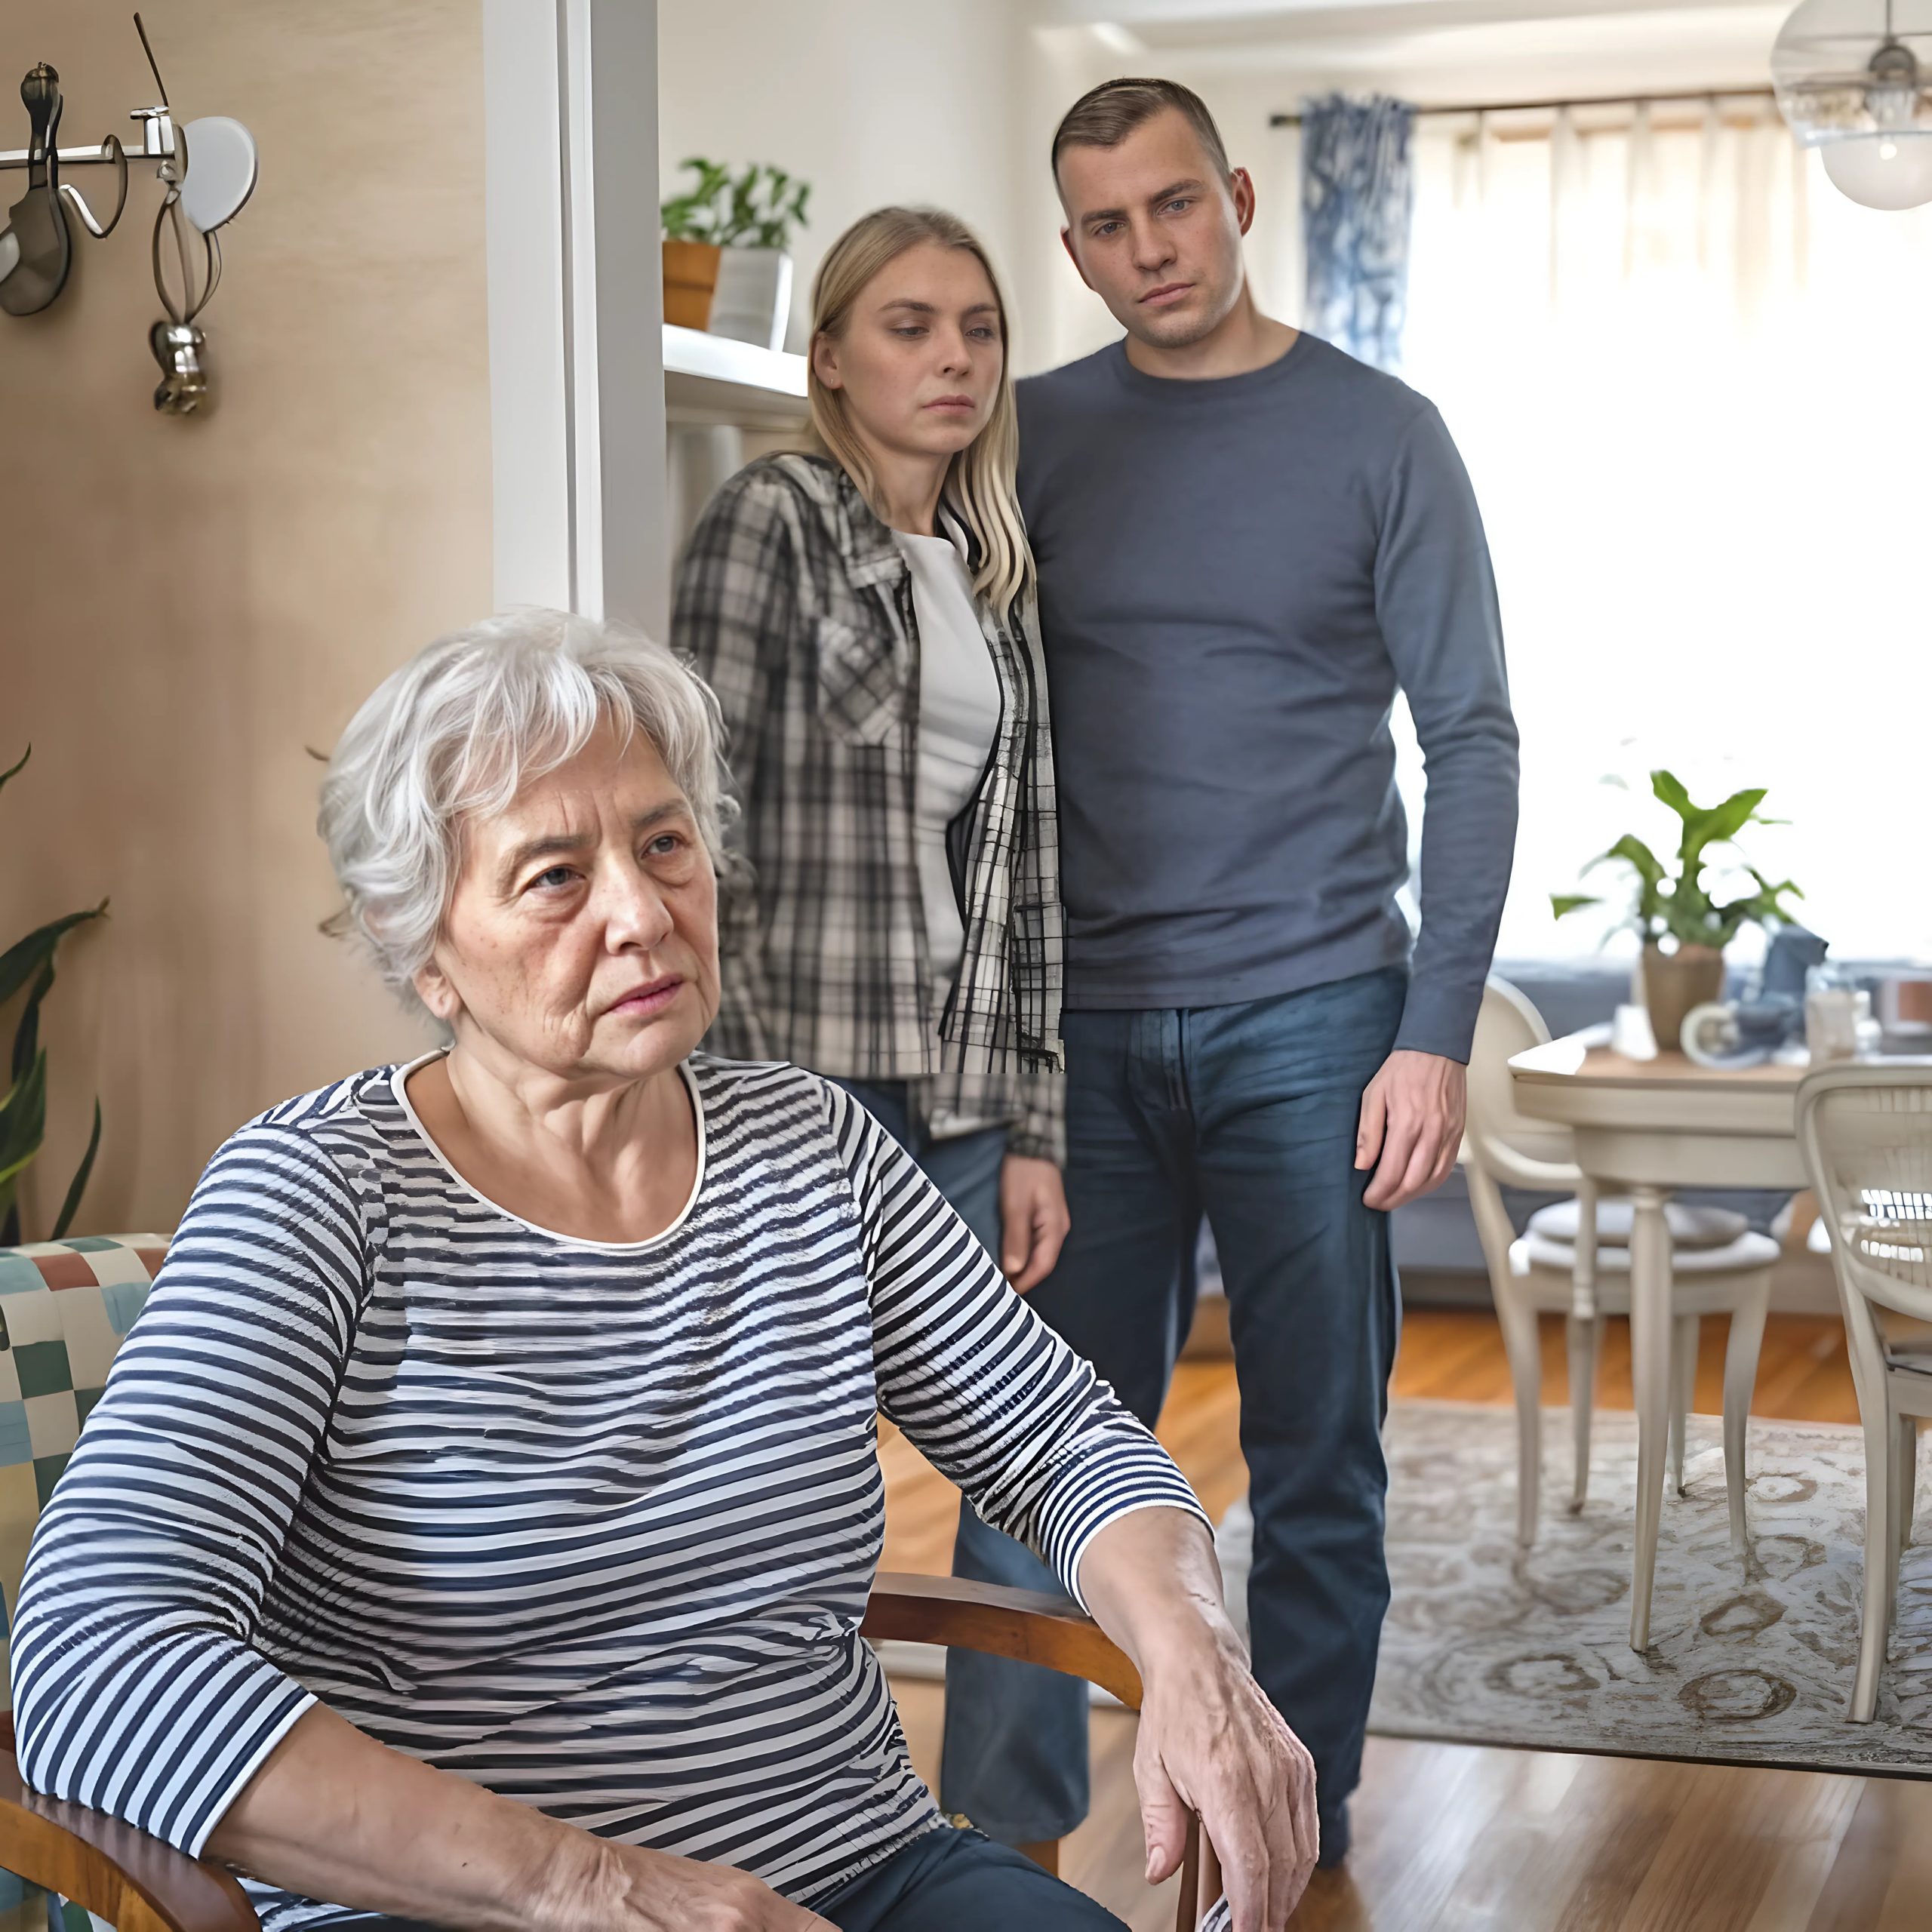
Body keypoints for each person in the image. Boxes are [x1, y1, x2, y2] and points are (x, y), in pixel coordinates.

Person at [12, 612, 1318, 1932]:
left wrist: (1196, 1652)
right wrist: (601, 1889)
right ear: (423, 950)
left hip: (855, 1871)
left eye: (663, 844)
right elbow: (94, 1659)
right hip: (463, 1910)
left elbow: (1064, 1440)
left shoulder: (813, 1148)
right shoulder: (316, 1196)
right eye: (554, 877)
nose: (643, 914)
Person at [940, 78, 1521, 1869]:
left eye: (1173, 205)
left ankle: (1297, 1816)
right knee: (1030, 1446)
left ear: (1241, 198)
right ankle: (999, 1844)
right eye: (1107, 225)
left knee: (1318, 1453)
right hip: (1077, 1035)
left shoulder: (1383, 435)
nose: (1149, 249)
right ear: (1070, 248)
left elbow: (1471, 737)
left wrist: (1431, 1034)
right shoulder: (1023, 435)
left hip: (1318, 1014)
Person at [674, 207, 1070, 1329]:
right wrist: (744, 1093)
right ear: (831, 360)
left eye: (980, 330)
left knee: (990, 1400)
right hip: (811, 1068)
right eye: (911, 327)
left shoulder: (996, 574)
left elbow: (1028, 869)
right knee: (809, 1406)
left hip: (969, 1082)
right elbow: (694, 822)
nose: (957, 357)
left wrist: (1037, 1130)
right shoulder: (773, 519)